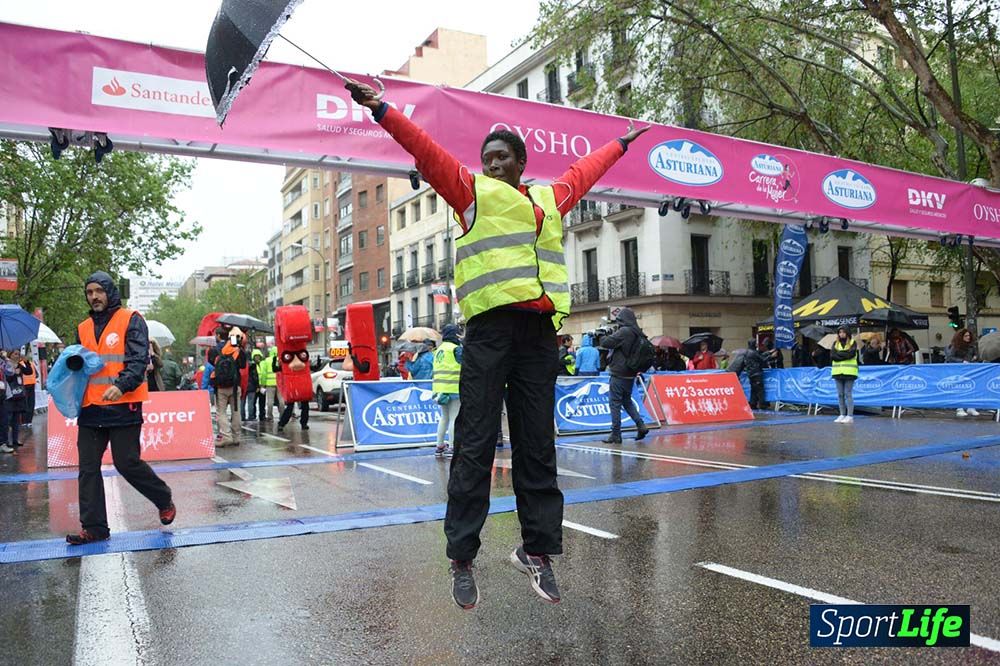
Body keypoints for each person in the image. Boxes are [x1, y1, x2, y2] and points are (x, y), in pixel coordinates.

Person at [345, 77, 649, 609]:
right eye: (487, 157)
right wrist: (383, 109)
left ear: (521, 163)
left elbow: (586, 170)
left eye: (503, 156)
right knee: (475, 442)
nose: (493, 164)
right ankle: (462, 557)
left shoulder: (551, 200)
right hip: (487, 335)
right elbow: (425, 149)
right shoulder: (469, 192)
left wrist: (621, 143)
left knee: (538, 447)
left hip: (537, 339)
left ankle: (538, 552)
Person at [66, 272, 174, 544]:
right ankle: (94, 528)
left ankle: (162, 497)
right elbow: (78, 363)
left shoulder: (132, 319)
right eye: (89, 292)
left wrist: (123, 384)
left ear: (110, 292)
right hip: (90, 408)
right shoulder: (82, 327)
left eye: (98, 291)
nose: (94, 297)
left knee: (127, 463)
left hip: (123, 404)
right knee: (88, 468)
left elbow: (139, 360)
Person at [599, 308, 650, 444]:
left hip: (619, 373)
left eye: (619, 320)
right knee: (626, 401)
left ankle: (616, 433)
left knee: (614, 403)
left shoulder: (625, 331)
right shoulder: (637, 332)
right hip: (630, 373)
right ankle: (641, 425)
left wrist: (603, 335)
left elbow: (606, 343)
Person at [209, 328, 246, 446]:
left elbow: (211, 363)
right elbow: (243, 365)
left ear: (218, 335)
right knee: (236, 411)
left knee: (221, 412)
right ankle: (236, 437)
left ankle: (226, 436)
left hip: (220, 386)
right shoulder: (237, 349)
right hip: (235, 385)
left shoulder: (214, 350)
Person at [433, 324, 463, 457]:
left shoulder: (439, 349)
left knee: (444, 418)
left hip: (440, 389)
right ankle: (452, 447)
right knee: (454, 418)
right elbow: (465, 363)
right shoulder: (455, 349)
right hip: (453, 387)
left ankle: (439, 445)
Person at [945, 328, 980, 417]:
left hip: (970, 370)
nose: (968, 337)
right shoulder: (955, 346)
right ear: (961, 337)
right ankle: (959, 408)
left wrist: (976, 357)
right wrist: (962, 361)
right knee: (959, 389)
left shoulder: (972, 347)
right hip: (958, 371)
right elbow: (950, 357)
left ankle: (971, 407)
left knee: (972, 388)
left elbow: (976, 356)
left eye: (969, 335)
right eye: (966, 336)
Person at [0, 350, 29, 451]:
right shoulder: (5, 364)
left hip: (18, 394)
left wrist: (26, 362)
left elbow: (29, 372)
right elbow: (7, 377)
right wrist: (12, 372)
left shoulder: (18, 365)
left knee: (16, 419)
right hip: (9, 395)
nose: (17, 356)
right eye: (15, 354)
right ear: (10, 354)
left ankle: (14, 439)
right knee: (7, 419)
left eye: (18, 354)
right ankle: (5, 441)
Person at [274, 350, 309, 432]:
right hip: (292, 384)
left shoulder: (301, 358)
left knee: (304, 405)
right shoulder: (287, 360)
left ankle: (303, 424)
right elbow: (276, 369)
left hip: (301, 383)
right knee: (291, 406)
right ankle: (282, 423)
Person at [830, 326, 859, 424]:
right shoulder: (835, 343)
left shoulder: (852, 342)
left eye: (843, 332)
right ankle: (842, 414)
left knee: (848, 394)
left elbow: (851, 354)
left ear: (847, 333)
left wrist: (839, 354)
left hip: (849, 372)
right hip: (837, 372)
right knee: (840, 394)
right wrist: (844, 354)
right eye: (839, 332)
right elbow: (833, 356)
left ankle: (850, 415)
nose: (841, 334)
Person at [258, 347, 280, 421]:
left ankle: (270, 416)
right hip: (280, 384)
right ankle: (283, 415)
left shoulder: (266, 361)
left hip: (269, 384)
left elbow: (264, 373)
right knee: (281, 401)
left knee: (270, 401)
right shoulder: (280, 359)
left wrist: (262, 384)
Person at [17, 351, 37, 425]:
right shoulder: (20, 364)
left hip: (31, 385)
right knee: (26, 403)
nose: (27, 357)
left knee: (31, 403)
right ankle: (24, 421)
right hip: (24, 385)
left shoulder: (30, 363)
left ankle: (29, 420)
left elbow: (35, 373)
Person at [245, 348, 264, 421]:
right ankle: (253, 415)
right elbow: (255, 376)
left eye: (258, 356)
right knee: (253, 402)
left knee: (261, 402)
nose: (257, 358)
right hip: (255, 386)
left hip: (261, 386)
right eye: (256, 356)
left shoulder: (262, 364)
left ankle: (261, 415)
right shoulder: (252, 365)